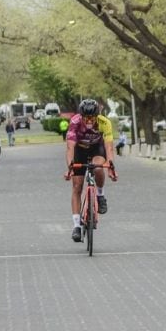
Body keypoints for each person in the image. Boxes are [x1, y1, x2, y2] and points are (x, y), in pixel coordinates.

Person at [63, 99, 118, 242]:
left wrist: (111, 166)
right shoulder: (75, 122)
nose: (88, 120)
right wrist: (70, 167)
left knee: (99, 168)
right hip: (79, 150)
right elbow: (70, 147)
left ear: (97, 116)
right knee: (77, 186)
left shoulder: (104, 122)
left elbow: (109, 147)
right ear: (81, 116)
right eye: (85, 117)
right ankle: (76, 226)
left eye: (92, 117)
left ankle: (100, 195)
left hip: (96, 149)